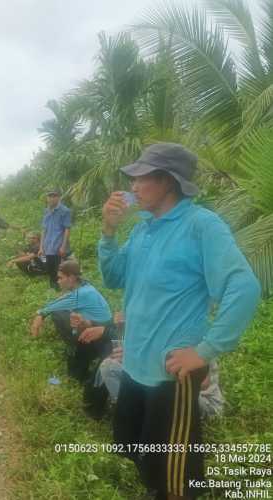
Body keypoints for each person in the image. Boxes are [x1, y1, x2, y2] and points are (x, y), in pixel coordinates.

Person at [99, 143, 260, 500]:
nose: (133, 186)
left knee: (178, 475)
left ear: (168, 181)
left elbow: (243, 286)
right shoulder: (144, 229)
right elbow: (113, 277)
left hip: (171, 375)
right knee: (143, 451)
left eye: (141, 177)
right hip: (136, 366)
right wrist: (108, 233)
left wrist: (206, 350)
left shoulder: (201, 225)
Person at [29, 260, 114, 382]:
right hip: (102, 327)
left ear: (71, 278)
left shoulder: (81, 294)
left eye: (60, 278)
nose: (58, 281)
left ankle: (73, 344)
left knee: (58, 313)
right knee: (63, 311)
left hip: (101, 336)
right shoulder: (85, 286)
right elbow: (62, 300)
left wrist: (39, 315)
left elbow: (53, 306)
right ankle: (79, 347)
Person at [40, 189, 71, 290]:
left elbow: (67, 229)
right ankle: (52, 288)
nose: (51, 198)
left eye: (54, 196)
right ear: (47, 198)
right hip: (48, 245)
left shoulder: (65, 211)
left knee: (59, 270)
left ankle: (61, 290)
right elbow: (44, 230)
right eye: (49, 196)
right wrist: (41, 246)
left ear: (58, 197)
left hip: (58, 246)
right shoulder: (46, 211)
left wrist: (63, 246)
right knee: (49, 268)